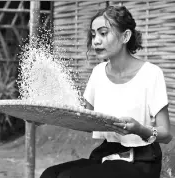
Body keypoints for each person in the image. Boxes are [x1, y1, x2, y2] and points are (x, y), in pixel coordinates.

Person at [40, 5, 173, 178]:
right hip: (108, 155)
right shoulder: (98, 73)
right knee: (50, 174)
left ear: (125, 36)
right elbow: (83, 119)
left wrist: (139, 129)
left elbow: (166, 134)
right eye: (93, 34)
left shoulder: (151, 74)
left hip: (141, 160)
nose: (96, 40)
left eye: (103, 33)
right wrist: (44, 117)